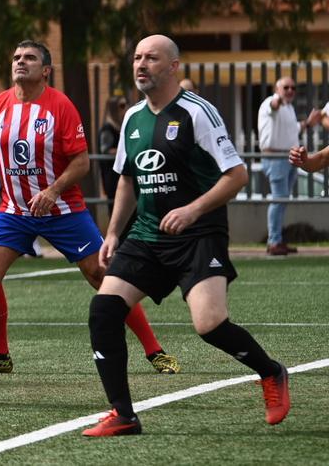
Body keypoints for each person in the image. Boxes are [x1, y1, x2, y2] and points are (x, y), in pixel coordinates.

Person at [0, 41, 177, 376]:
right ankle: (0, 355)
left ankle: (154, 350)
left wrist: (53, 189)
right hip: (14, 212)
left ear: (45, 70)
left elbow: (82, 162)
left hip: (64, 212)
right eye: (16, 57)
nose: (20, 62)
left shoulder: (60, 105)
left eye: (28, 58)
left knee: (103, 275)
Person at [83, 34, 290, 437]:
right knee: (103, 310)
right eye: (137, 58)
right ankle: (123, 414)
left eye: (152, 58)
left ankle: (271, 372)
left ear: (174, 66)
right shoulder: (132, 117)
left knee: (209, 324)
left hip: (199, 233)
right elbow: (127, 180)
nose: (141, 65)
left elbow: (237, 175)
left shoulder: (198, 112)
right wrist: (112, 233)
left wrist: (193, 209)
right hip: (146, 234)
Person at [256, 77, 321, 256]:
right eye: (286, 87)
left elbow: (293, 128)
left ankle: (277, 240)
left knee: (282, 200)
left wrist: (308, 123)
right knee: (279, 199)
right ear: (277, 89)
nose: (291, 90)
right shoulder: (271, 102)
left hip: (289, 157)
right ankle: (274, 242)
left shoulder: (289, 107)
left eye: (293, 87)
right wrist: (278, 99)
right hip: (275, 158)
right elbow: (273, 106)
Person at [98, 95, 128, 213]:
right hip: (112, 177)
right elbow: (105, 149)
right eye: (121, 106)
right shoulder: (108, 128)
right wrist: (125, 150)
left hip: (123, 176)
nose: (125, 108)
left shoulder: (122, 127)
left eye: (126, 104)